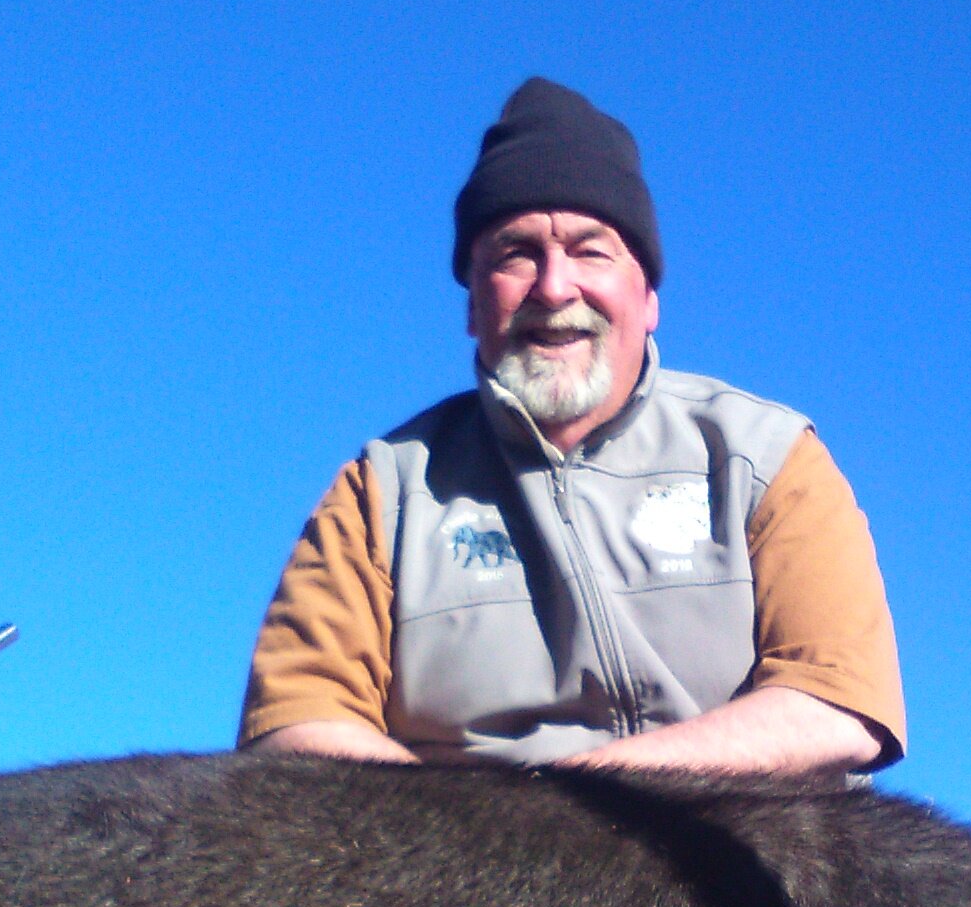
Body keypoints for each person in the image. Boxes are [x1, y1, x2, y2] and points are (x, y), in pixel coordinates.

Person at [240, 78, 905, 775]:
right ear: (471, 306)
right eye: (515, 254)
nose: (554, 288)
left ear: (648, 298)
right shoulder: (383, 491)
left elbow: (840, 702)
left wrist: (572, 813)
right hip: (466, 870)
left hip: (737, 848)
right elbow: (296, 723)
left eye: (591, 251)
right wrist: (493, 847)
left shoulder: (763, 457)